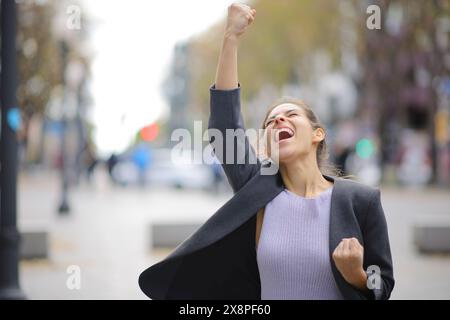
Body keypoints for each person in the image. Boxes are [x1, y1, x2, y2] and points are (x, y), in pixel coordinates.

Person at [139, 3, 394, 300]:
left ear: (317, 134)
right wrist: (230, 38)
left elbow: (383, 282)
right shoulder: (256, 190)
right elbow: (225, 127)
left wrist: (359, 277)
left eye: (290, 115)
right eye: (270, 121)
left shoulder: (362, 201)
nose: (278, 120)